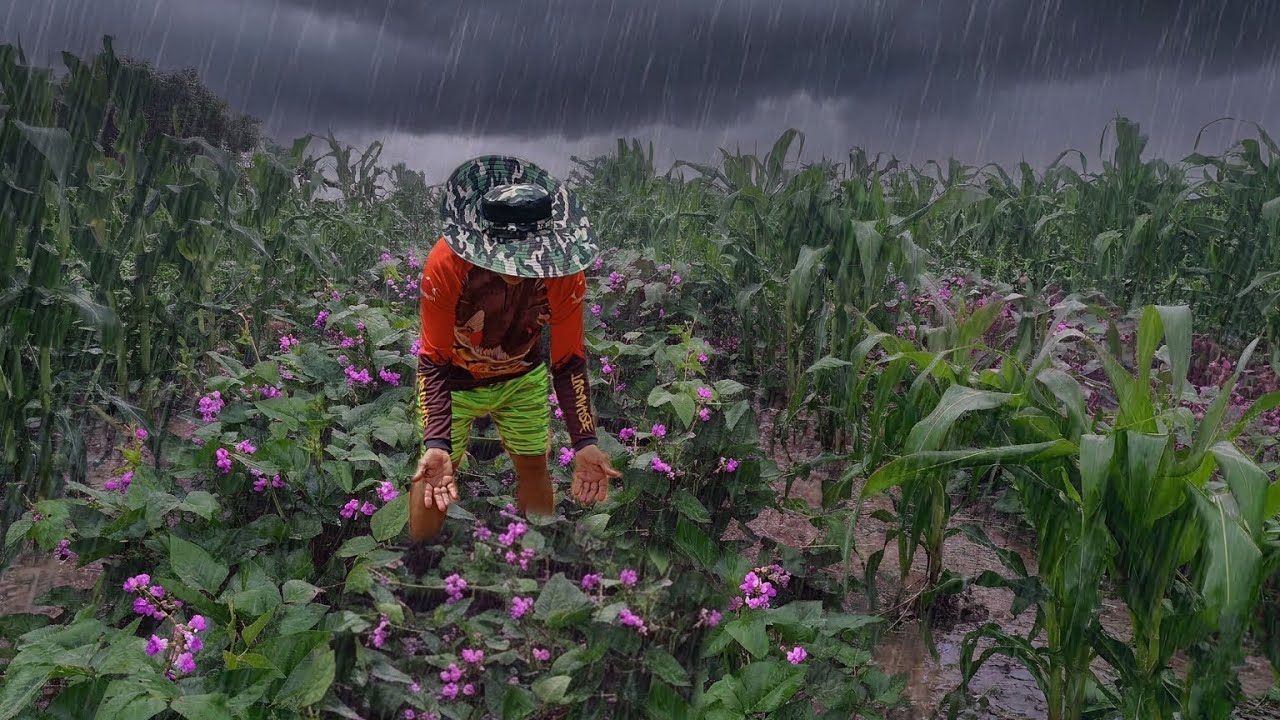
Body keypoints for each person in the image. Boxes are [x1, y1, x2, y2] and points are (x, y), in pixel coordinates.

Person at [409, 155, 621, 541]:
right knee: (435, 474)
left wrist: (585, 441)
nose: (515, 270)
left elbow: (569, 360)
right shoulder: (447, 263)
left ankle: (534, 561)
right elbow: (434, 360)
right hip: (452, 380)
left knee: (534, 466)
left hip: (523, 376)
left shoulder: (564, 273)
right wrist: (436, 442)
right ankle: (418, 561)